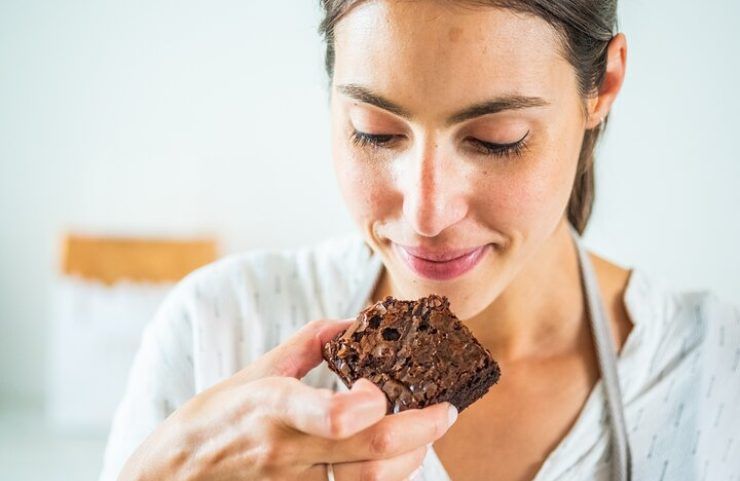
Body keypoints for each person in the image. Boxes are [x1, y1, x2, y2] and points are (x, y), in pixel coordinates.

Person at [99, 1, 740, 480]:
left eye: (498, 138)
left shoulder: (715, 369)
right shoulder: (217, 327)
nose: (427, 213)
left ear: (602, 85)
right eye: (374, 131)